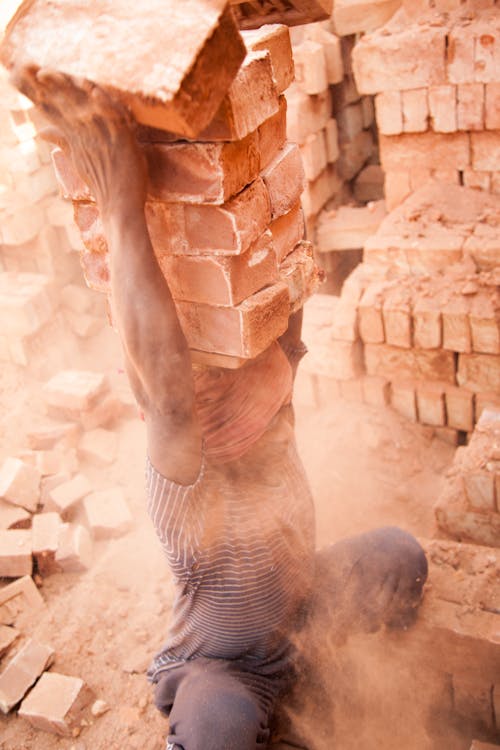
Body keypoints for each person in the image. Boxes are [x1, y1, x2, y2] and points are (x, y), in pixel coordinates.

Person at [13, 67, 428, 750]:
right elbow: (168, 385)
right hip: (226, 667)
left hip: (306, 611)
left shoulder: (266, 414)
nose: (208, 395)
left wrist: (280, 361)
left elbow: (279, 300)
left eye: (222, 383)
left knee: (401, 557)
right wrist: (121, 202)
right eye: (191, 392)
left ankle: (313, 676)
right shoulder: (183, 474)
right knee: (222, 728)